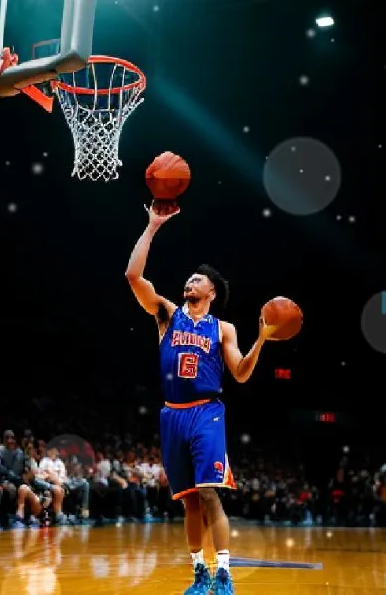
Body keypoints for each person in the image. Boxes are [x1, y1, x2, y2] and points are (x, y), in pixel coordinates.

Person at [125, 203, 276, 595]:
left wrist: (261, 340)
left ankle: (224, 573)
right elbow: (133, 275)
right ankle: (199, 573)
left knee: (209, 491)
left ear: (210, 291)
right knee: (190, 502)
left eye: (197, 279)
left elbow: (241, 373)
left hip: (207, 412)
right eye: (189, 279)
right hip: (172, 415)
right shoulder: (166, 314)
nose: (189, 282)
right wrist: (153, 226)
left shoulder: (223, 328)